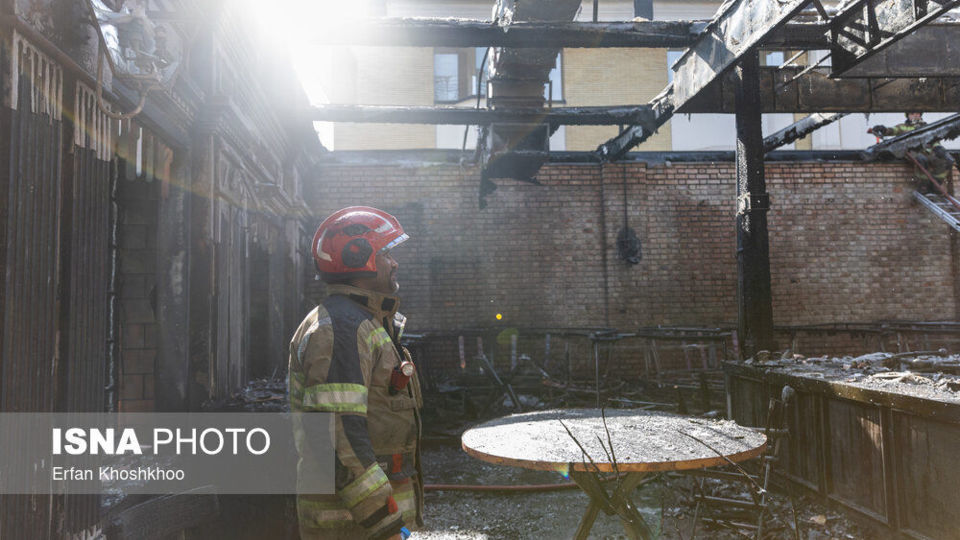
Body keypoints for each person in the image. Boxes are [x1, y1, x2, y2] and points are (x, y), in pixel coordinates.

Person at [289, 206, 423, 540]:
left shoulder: (364, 323)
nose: (395, 263)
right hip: (354, 526)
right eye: (387, 253)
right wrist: (385, 523)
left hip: (367, 524)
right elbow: (338, 438)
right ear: (359, 258)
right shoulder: (341, 330)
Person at [869, 112, 955, 193]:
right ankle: (923, 184)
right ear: (908, 115)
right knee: (922, 160)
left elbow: (933, 140)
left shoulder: (927, 127)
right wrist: (883, 129)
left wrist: (939, 148)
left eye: (918, 113)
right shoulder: (903, 127)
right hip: (911, 151)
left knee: (945, 160)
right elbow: (892, 130)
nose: (915, 116)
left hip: (928, 151)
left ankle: (936, 183)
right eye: (912, 113)